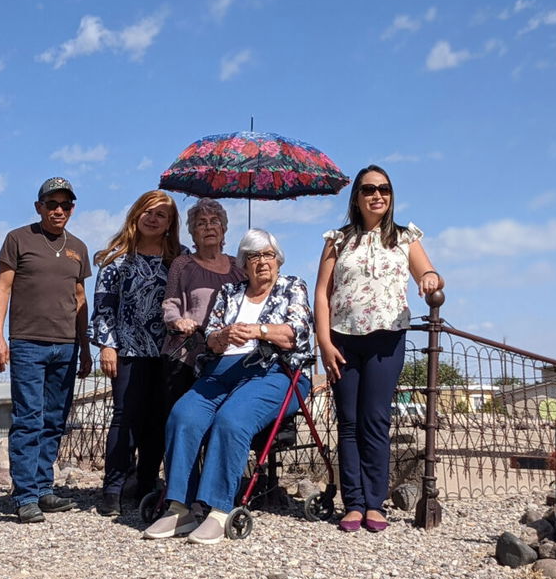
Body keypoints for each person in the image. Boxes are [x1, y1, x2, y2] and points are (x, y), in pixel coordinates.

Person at [144, 229, 314, 545]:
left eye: (267, 255)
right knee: (183, 415)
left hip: (273, 372)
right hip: (222, 371)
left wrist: (258, 330)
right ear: (243, 263)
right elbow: (210, 337)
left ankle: (219, 509)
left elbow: (297, 333)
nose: (262, 262)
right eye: (253, 256)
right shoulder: (230, 292)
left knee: (231, 420)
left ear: (278, 260)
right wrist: (221, 338)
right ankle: (180, 506)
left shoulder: (293, 286)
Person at [314, 164, 443, 533]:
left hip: (387, 338)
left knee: (375, 419)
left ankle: (375, 503)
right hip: (342, 338)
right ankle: (352, 503)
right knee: (349, 422)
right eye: (369, 189)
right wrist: (323, 341)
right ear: (356, 196)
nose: (377, 195)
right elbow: (322, 294)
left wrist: (432, 278)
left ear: (391, 195)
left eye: (384, 189)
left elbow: (428, 274)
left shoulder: (405, 237)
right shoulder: (337, 240)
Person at [0, 177, 93, 523]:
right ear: (39, 207)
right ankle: (24, 496)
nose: (59, 210)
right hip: (27, 343)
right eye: (52, 204)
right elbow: (2, 289)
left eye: (65, 205)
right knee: (28, 419)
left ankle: (43, 488)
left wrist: (86, 347)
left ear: (72, 209)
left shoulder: (78, 247)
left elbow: (80, 299)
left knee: (54, 420)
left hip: (66, 346)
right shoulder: (18, 239)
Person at [90, 190, 183, 516]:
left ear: (171, 223)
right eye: (149, 212)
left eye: (162, 215)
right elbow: (103, 308)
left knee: (158, 420)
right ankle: (113, 488)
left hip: (167, 352)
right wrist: (107, 345)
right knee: (125, 418)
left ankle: (145, 483)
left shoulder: (179, 260)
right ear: (136, 214)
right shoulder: (116, 259)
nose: (154, 219)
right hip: (127, 350)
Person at [160, 198, 245, 409]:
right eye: (201, 223)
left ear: (224, 229)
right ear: (193, 232)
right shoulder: (183, 264)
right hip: (187, 354)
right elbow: (170, 302)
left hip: (228, 356)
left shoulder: (239, 267)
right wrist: (178, 320)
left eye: (215, 221)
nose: (209, 227)